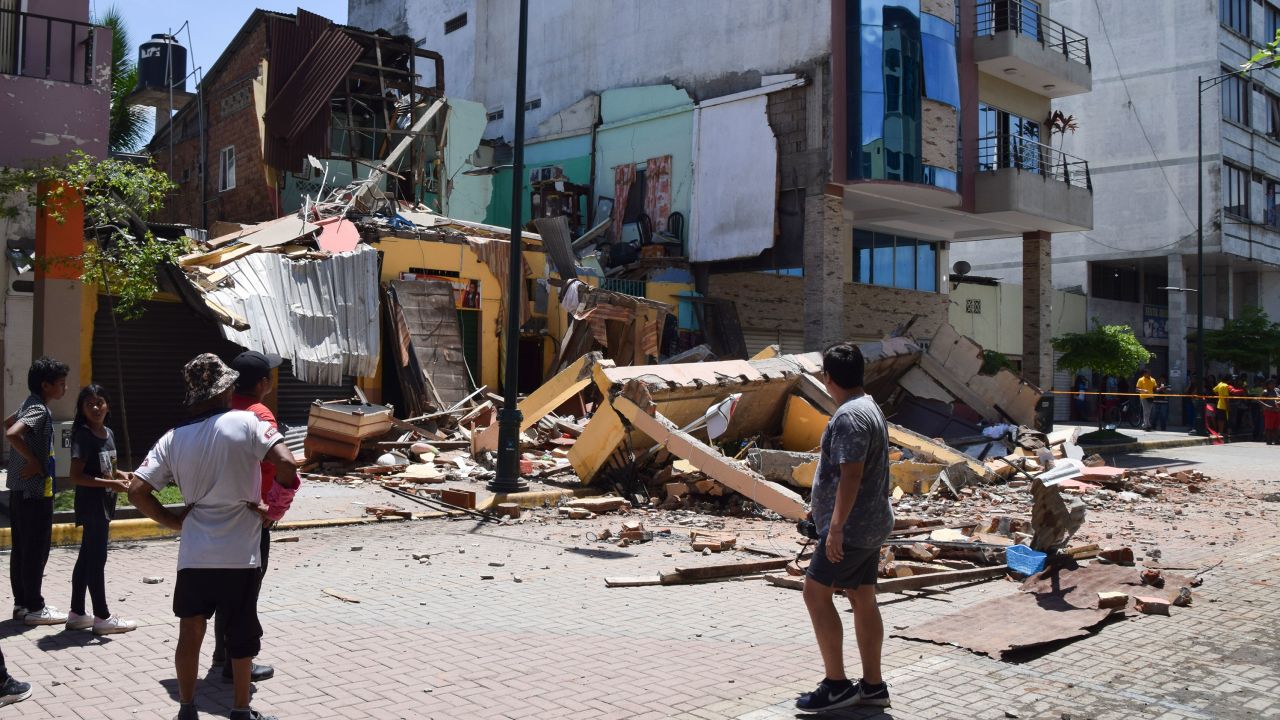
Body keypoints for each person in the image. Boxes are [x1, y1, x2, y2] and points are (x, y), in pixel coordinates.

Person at [128, 354, 299, 720]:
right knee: (240, 637)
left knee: (190, 632)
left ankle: (187, 709)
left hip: (194, 555)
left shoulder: (172, 438)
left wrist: (172, 521)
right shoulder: (249, 422)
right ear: (225, 389)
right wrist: (274, 510)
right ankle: (241, 710)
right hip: (241, 555)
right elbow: (287, 464)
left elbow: (136, 490)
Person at [796, 343, 893, 712]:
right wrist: (818, 513)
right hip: (870, 524)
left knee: (815, 593)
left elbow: (851, 474)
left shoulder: (850, 416)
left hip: (851, 530)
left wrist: (834, 528)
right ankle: (872, 686)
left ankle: (836, 685)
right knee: (861, 597)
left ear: (828, 378)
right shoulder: (871, 408)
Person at [210, 351, 297, 683]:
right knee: (245, 595)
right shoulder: (261, 415)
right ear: (263, 383)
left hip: (218, 514)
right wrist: (273, 509)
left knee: (224, 591)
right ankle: (237, 664)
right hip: (250, 516)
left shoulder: (220, 410)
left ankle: (222, 654)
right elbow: (280, 465)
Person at [64, 385, 137, 635]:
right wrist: (112, 483)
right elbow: (76, 476)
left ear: (108, 405)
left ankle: (76, 613)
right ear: (82, 409)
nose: (96, 408)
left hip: (105, 503)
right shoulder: (83, 436)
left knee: (87, 557)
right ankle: (102, 617)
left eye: (100, 402)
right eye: (90, 404)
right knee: (97, 559)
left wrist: (122, 474)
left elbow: (107, 468)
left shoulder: (109, 433)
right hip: (92, 504)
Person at [4, 356, 69, 626]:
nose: (65, 388)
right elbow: (12, 433)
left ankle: (21, 604)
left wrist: (26, 457)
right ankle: (34, 606)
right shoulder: (39, 409)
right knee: (35, 550)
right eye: (61, 383)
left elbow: (8, 423)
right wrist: (32, 460)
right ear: (46, 385)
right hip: (35, 492)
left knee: (22, 549)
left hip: (21, 491)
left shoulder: (29, 403)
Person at [1213, 375, 1236, 441]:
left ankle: (1220, 432)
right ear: (1228, 380)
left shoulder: (1220, 384)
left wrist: (1219, 395)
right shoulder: (1225, 386)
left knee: (1220, 419)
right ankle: (1222, 432)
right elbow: (1226, 398)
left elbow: (1214, 390)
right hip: (1224, 405)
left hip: (1219, 404)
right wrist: (1228, 407)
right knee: (1224, 419)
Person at [1262, 377, 1280, 446]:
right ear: (1267, 385)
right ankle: (1269, 441)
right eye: (1270, 384)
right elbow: (1260, 401)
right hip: (1269, 412)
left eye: (1273, 383)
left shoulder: (1277, 390)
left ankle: (1276, 440)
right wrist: (1268, 407)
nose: (1272, 385)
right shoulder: (1265, 392)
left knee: (1277, 427)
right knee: (1269, 427)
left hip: (1277, 411)